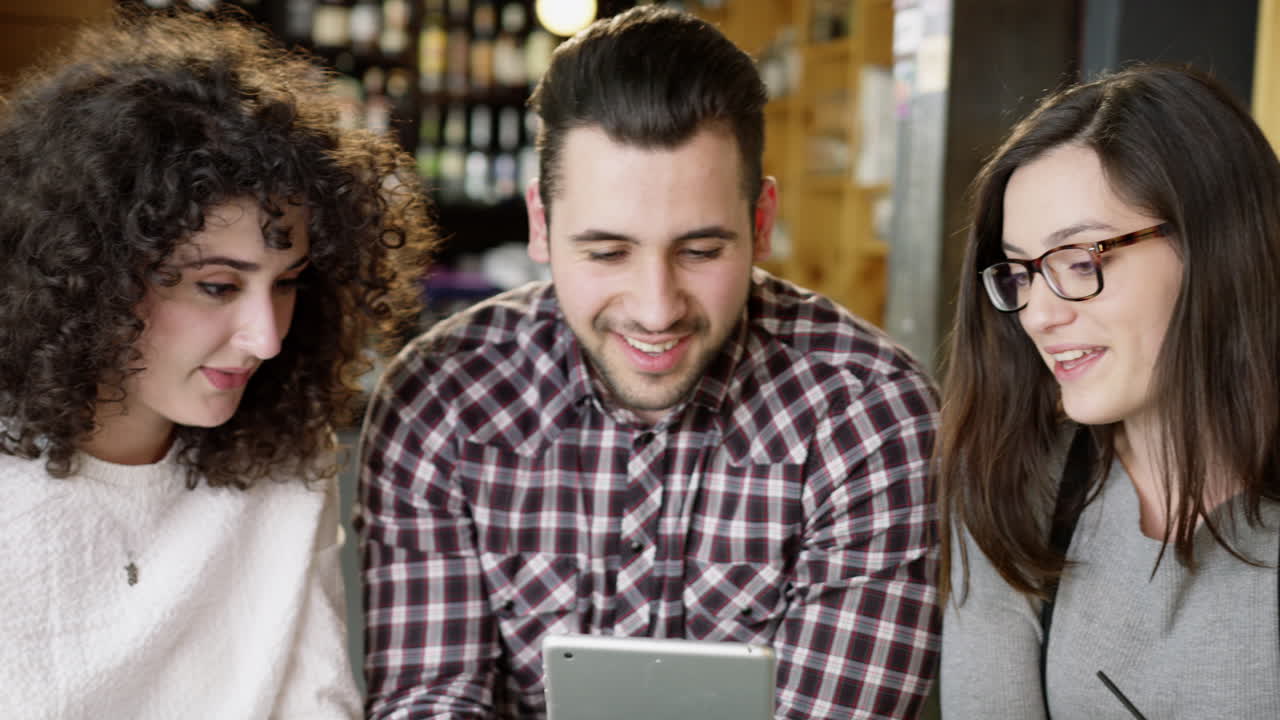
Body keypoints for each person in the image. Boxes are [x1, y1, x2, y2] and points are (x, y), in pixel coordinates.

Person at [358, 6, 940, 719]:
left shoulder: (871, 412)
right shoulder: (440, 397)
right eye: (607, 252)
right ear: (541, 223)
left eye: (700, 251)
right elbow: (431, 696)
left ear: (761, 222)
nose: (657, 308)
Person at [0, 9, 434, 719]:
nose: (266, 338)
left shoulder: (285, 464)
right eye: (217, 287)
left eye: (288, 281)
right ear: (92, 274)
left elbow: (318, 705)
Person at [937, 64, 1280, 718]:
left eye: (1080, 259)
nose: (1038, 314)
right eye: (1021, 272)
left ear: (1215, 248)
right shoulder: (1012, 486)